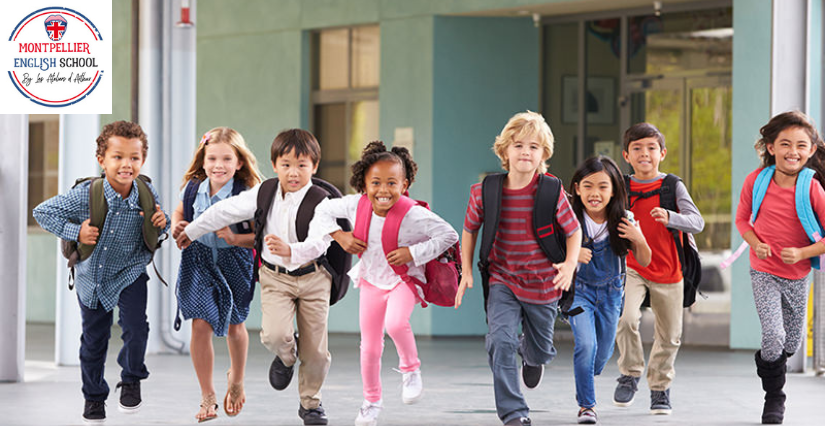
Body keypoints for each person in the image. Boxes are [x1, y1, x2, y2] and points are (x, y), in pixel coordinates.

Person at [268, 141, 458, 426]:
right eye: (376, 183)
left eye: (392, 183)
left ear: (405, 184)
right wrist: (339, 236)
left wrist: (412, 253)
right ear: (364, 184)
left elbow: (448, 235)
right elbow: (323, 211)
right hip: (370, 281)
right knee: (369, 347)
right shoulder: (356, 205)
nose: (383, 190)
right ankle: (371, 402)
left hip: (402, 280)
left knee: (395, 324)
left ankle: (411, 370)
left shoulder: (413, 214)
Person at [176, 129, 340, 425]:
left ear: (314, 167)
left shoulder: (322, 200)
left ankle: (310, 404)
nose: (293, 172)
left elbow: (320, 242)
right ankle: (286, 357)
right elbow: (223, 211)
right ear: (275, 165)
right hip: (276, 278)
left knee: (316, 351)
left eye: (302, 165)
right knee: (274, 335)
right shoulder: (264, 192)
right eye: (286, 164)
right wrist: (190, 231)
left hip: (313, 277)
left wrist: (291, 249)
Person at [33, 121, 170, 424]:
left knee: (137, 328)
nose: (126, 164)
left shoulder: (146, 191)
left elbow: (161, 223)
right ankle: (94, 398)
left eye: (134, 158)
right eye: (118, 157)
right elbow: (42, 212)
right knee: (94, 341)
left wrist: (163, 222)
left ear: (142, 159)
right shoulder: (86, 194)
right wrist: (75, 231)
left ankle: (131, 377)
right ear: (102, 160)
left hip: (131, 269)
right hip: (92, 278)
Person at [455, 111, 582, 426]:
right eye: (519, 145)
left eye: (534, 147)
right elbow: (469, 229)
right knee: (501, 340)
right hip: (503, 279)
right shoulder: (485, 191)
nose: (526, 152)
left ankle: (533, 355)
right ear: (504, 151)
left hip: (543, 283)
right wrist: (467, 270)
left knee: (540, 349)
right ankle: (514, 412)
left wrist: (568, 265)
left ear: (544, 154)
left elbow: (574, 231)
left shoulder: (551, 190)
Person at [734, 111, 825, 424]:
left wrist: (802, 253)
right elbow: (742, 220)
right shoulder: (755, 181)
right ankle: (775, 397)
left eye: (801, 145)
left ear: (811, 150)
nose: (793, 151)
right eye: (785, 144)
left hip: (798, 276)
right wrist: (754, 242)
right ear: (770, 147)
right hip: (763, 270)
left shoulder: (812, 188)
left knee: (790, 343)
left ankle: (772, 366)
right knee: (773, 335)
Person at [171, 127, 264, 422]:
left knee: (236, 326)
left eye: (227, 159)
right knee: (200, 324)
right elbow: (179, 212)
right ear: (203, 160)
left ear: (239, 163)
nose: (218, 165)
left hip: (234, 262)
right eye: (212, 158)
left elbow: (262, 237)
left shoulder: (247, 193)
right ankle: (208, 395)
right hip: (198, 261)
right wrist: (178, 224)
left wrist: (236, 239)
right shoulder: (192, 188)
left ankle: (236, 379)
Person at [613, 122, 705, 415]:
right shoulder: (621, 186)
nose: (644, 154)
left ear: (662, 153)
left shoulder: (672, 186)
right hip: (632, 266)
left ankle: (660, 388)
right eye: (637, 148)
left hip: (669, 270)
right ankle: (630, 372)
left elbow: (697, 222)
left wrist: (671, 216)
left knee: (670, 336)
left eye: (651, 148)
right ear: (626, 155)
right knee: (626, 319)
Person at [567, 155, 651, 424]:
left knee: (601, 355)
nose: (595, 193)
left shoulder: (624, 219)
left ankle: (586, 377)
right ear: (577, 188)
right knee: (586, 345)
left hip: (612, 295)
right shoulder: (568, 218)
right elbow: (551, 253)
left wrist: (638, 238)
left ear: (614, 190)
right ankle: (587, 406)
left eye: (603, 186)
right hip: (579, 291)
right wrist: (572, 254)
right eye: (588, 185)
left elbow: (646, 259)